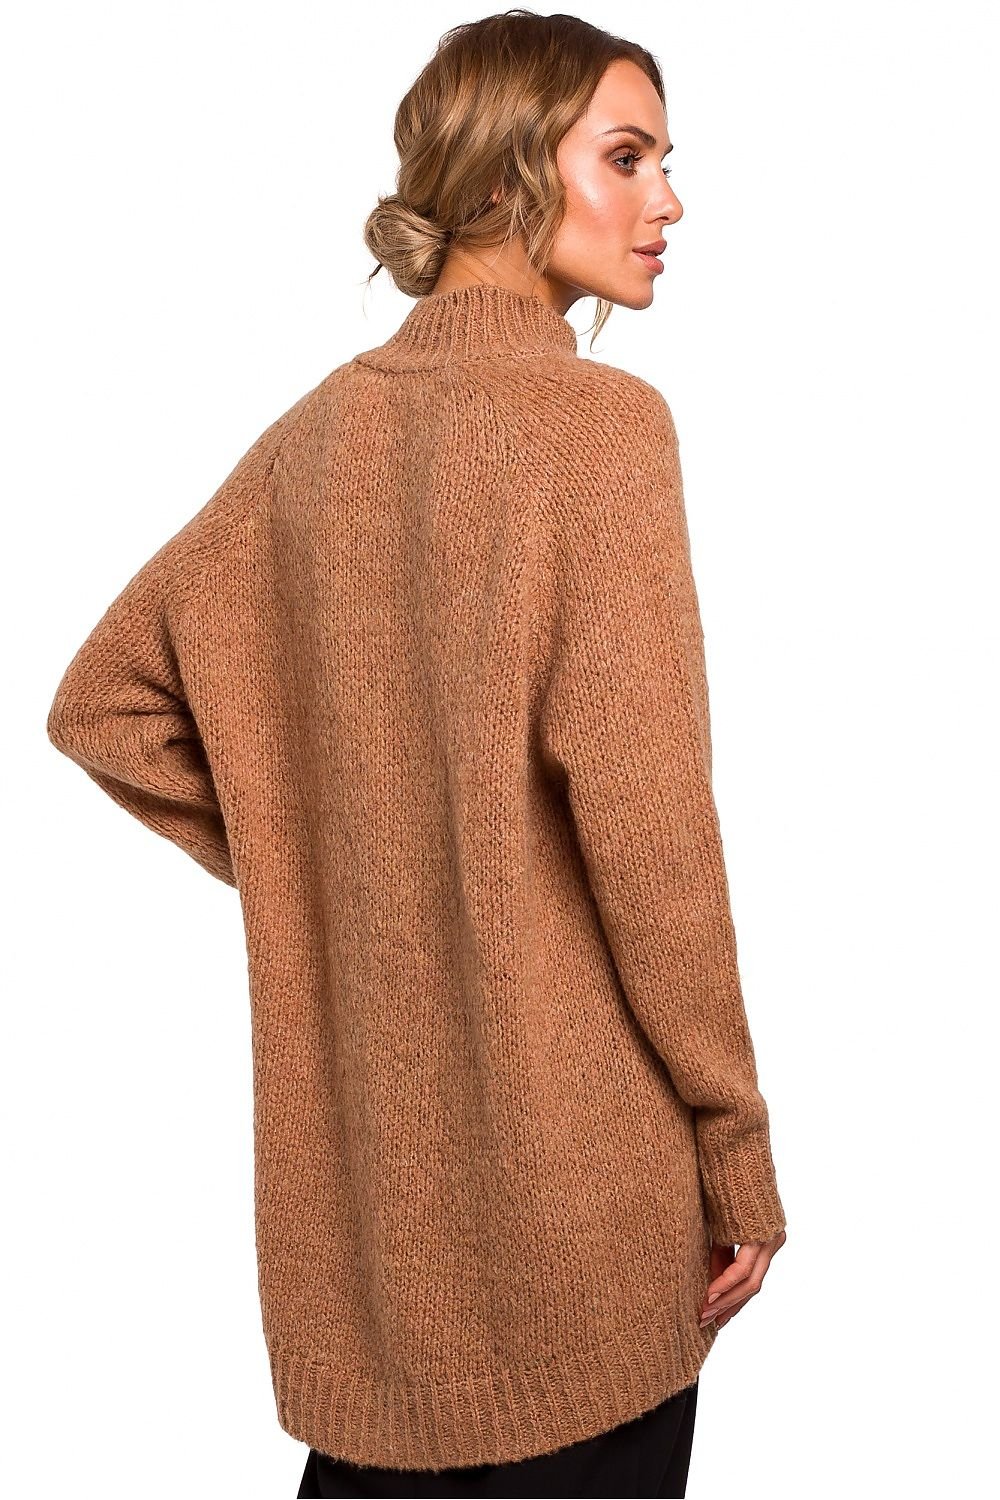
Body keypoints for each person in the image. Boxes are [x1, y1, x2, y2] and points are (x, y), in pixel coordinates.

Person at [45, 10, 787, 1498]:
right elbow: (653, 834)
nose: (669, 200)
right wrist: (735, 1140)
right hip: (588, 1211)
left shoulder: (313, 443)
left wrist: (325, 851)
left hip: (372, 1248)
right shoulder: (600, 432)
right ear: (508, 176)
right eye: (626, 158)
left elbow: (107, 703)